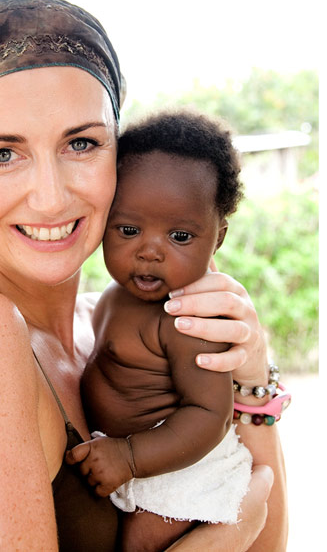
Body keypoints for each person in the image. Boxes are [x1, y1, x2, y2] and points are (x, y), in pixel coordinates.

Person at [0, 0, 285, 550]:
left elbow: (271, 541)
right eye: (3, 153)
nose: (51, 198)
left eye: (81, 143)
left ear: (117, 153)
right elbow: (246, 527)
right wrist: (229, 531)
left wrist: (251, 376)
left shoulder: (102, 323)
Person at [74, 111, 259, 551]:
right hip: (136, 457)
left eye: (179, 235)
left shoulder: (189, 321)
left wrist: (130, 456)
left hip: (180, 470)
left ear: (217, 239)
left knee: (141, 542)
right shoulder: (114, 296)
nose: (149, 251)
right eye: (129, 229)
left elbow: (208, 415)